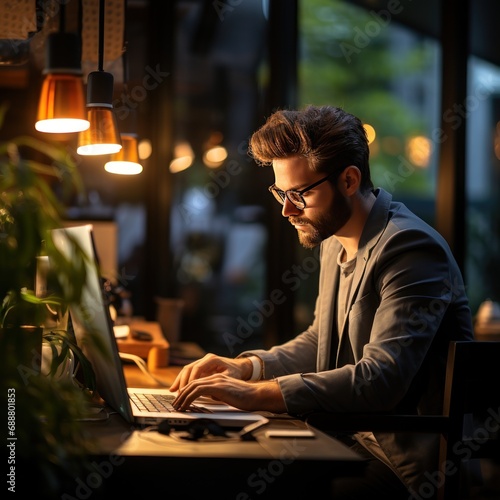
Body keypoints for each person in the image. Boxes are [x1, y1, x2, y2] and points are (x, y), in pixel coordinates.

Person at [170, 105, 474, 498]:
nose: (287, 209)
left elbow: (381, 379)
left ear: (349, 179)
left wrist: (259, 393)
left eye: (299, 194)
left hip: (404, 468)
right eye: (281, 192)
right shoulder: (334, 239)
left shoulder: (410, 248)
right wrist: (246, 368)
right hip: (346, 436)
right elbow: (319, 340)